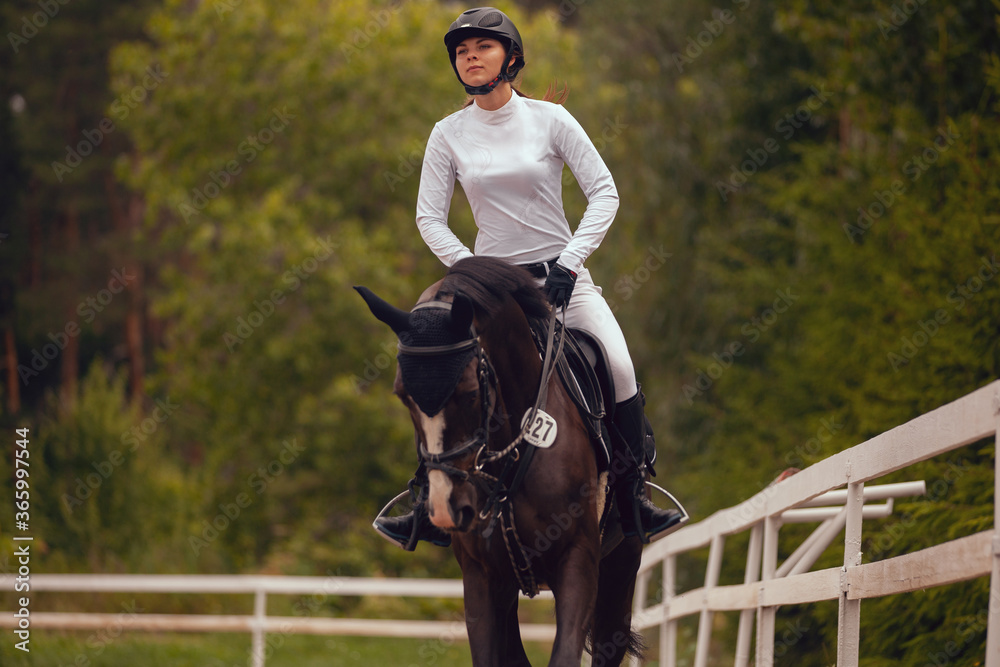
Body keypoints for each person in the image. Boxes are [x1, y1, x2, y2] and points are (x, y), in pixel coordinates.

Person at [374, 6, 684, 548]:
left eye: (482, 48)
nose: (470, 57)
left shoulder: (550, 120)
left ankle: (634, 494)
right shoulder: (446, 135)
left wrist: (570, 262)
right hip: (495, 294)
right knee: (444, 377)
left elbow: (605, 193)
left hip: (564, 281)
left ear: (511, 58)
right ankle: (426, 500)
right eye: (461, 51)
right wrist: (474, 272)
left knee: (620, 365)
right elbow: (428, 218)